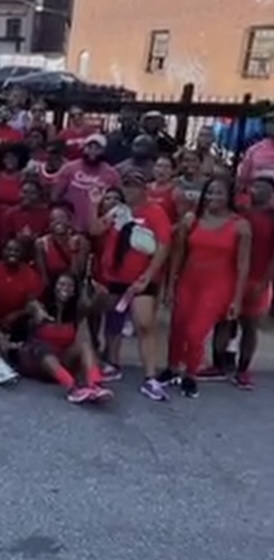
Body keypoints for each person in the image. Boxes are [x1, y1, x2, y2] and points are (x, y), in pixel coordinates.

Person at [89, 171, 172, 399]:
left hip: (141, 279)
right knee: (113, 321)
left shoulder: (155, 212)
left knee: (144, 325)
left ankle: (150, 377)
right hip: (115, 277)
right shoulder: (119, 211)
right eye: (126, 185)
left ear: (144, 188)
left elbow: (164, 245)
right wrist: (94, 205)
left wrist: (149, 274)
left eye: (134, 185)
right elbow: (95, 229)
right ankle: (113, 363)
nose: (130, 190)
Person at [165, 176, 250, 398]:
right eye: (210, 191)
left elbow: (243, 265)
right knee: (178, 327)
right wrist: (171, 284)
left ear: (229, 196)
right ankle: (172, 368)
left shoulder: (240, 225)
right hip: (189, 280)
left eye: (219, 192)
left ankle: (190, 374)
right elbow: (178, 254)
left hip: (218, 286)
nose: (213, 196)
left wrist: (237, 300)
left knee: (195, 333)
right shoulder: (192, 219)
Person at [16, 272, 113, 405]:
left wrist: (99, 294)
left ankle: (95, 384)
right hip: (39, 363)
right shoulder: (41, 307)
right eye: (61, 284)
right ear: (54, 287)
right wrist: (37, 310)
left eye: (70, 286)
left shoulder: (76, 311)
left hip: (63, 361)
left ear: (74, 291)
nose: (65, 289)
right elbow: (31, 303)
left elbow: (92, 307)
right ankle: (73, 388)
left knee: (84, 344)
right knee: (42, 349)